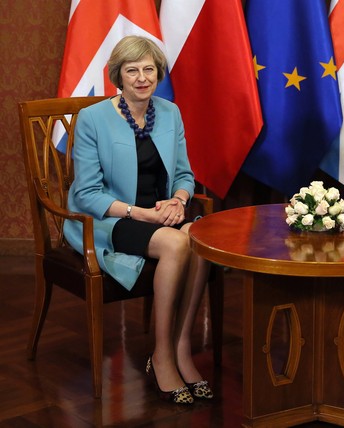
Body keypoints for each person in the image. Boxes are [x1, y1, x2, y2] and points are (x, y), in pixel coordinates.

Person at [64, 35, 212, 404]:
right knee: (177, 242)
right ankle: (161, 356)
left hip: (159, 212)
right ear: (119, 75)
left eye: (149, 69)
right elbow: (86, 193)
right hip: (109, 217)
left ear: (158, 73)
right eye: (133, 70)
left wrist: (179, 200)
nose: (142, 77)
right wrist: (138, 213)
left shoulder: (170, 112)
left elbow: (184, 174)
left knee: (201, 240)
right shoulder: (93, 119)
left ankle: (180, 349)